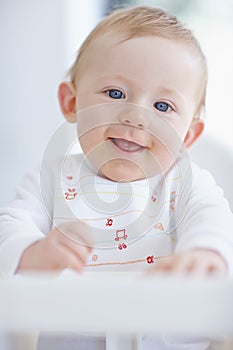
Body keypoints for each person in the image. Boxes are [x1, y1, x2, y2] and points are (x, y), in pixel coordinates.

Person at [0, 5, 232, 350]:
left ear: (187, 136)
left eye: (163, 106)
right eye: (115, 93)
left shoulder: (188, 184)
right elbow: (10, 226)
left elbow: (213, 221)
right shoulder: (49, 179)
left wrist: (205, 254)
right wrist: (33, 253)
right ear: (72, 102)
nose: (135, 116)